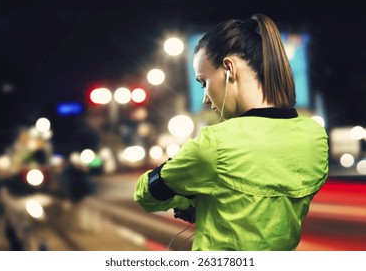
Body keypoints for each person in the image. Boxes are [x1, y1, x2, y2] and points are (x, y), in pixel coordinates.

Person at [134, 13, 329, 251]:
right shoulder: (315, 137)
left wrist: (189, 201)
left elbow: (146, 194)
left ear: (228, 68)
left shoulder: (214, 143)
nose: (206, 98)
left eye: (204, 82)